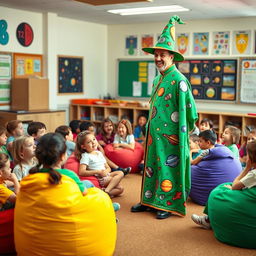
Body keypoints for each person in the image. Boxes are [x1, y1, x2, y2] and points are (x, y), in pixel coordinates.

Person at [131, 15, 197, 219]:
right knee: (151, 168)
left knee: (167, 169)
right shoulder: (157, 79)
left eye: (163, 55)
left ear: (172, 57)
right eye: (156, 54)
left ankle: (166, 204)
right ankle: (149, 199)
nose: (158, 58)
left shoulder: (180, 81)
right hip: (153, 137)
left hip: (171, 138)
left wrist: (182, 133)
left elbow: (191, 112)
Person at [191, 140, 256, 229]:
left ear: (252, 159)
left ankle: (208, 220)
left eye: (247, 155)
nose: (245, 156)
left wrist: (247, 168)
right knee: (226, 185)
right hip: (249, 194)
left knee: (217, 192)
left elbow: (234, 186)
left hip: (247, 200)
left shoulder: (253, 174)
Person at [76, 131, 124, 197]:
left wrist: (106, 172)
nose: (93, 142)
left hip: (107, 175)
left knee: (121, 186)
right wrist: (98, 172)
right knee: (116, 182)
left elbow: (108, 168)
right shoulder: (86, 156)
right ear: (83, 147)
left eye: (94, 139)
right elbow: (81, 172)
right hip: (102, 179)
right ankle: (107, 190)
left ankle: (105, 192)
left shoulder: (99, 153)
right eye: (89, 142)